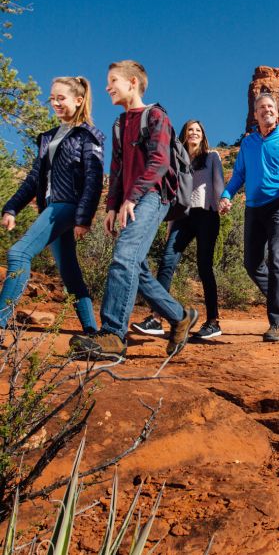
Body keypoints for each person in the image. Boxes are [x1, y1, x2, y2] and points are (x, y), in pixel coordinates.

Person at [69, 60, 197, 361]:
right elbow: (117, 169)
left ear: (133, 82)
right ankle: (179, 316)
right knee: (135, 267)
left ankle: (113, 334)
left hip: (154, 196)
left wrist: (132, 198)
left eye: (113, 80)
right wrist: (112, 206)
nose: (107, 87)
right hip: (129, 200)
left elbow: (160, 163)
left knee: (124, 257)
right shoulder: (119, 124)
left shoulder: (156, 116)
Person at [0, 76, 104, 335]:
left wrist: (83, 217)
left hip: (67, 205)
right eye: (52, 98)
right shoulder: (48, 137)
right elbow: (34, 178)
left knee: (18, 254)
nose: (55, 103)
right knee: (69, 273)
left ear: (79, 100)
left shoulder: (88, 135)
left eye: (62, 98)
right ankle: (91, 333)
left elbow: (93, 178)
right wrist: (12, 208)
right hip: (51, 206)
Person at [219, 93, 279, 342]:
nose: (266, 110)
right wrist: (227, 195)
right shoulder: (248, 143)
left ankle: (277, 323)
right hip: (254, 208)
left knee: (278, 261)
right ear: (255, 115)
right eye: (261, 108)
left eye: (270, 107)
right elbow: (239, 175)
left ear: (277, 113)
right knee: (252, 263)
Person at [132, 119, 224, 339]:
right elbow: (174, 194)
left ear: (203, 135)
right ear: (184, 134)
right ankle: (156, 318)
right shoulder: (177, 161)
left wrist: (223, 202)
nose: (194, 133)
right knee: (167, 262)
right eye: (190, 130)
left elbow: (218, 183)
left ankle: (213, 322)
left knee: (204, 267)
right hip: (182, 217)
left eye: (198, 130)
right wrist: (170, 223)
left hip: (206, 214)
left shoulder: (212, 157)